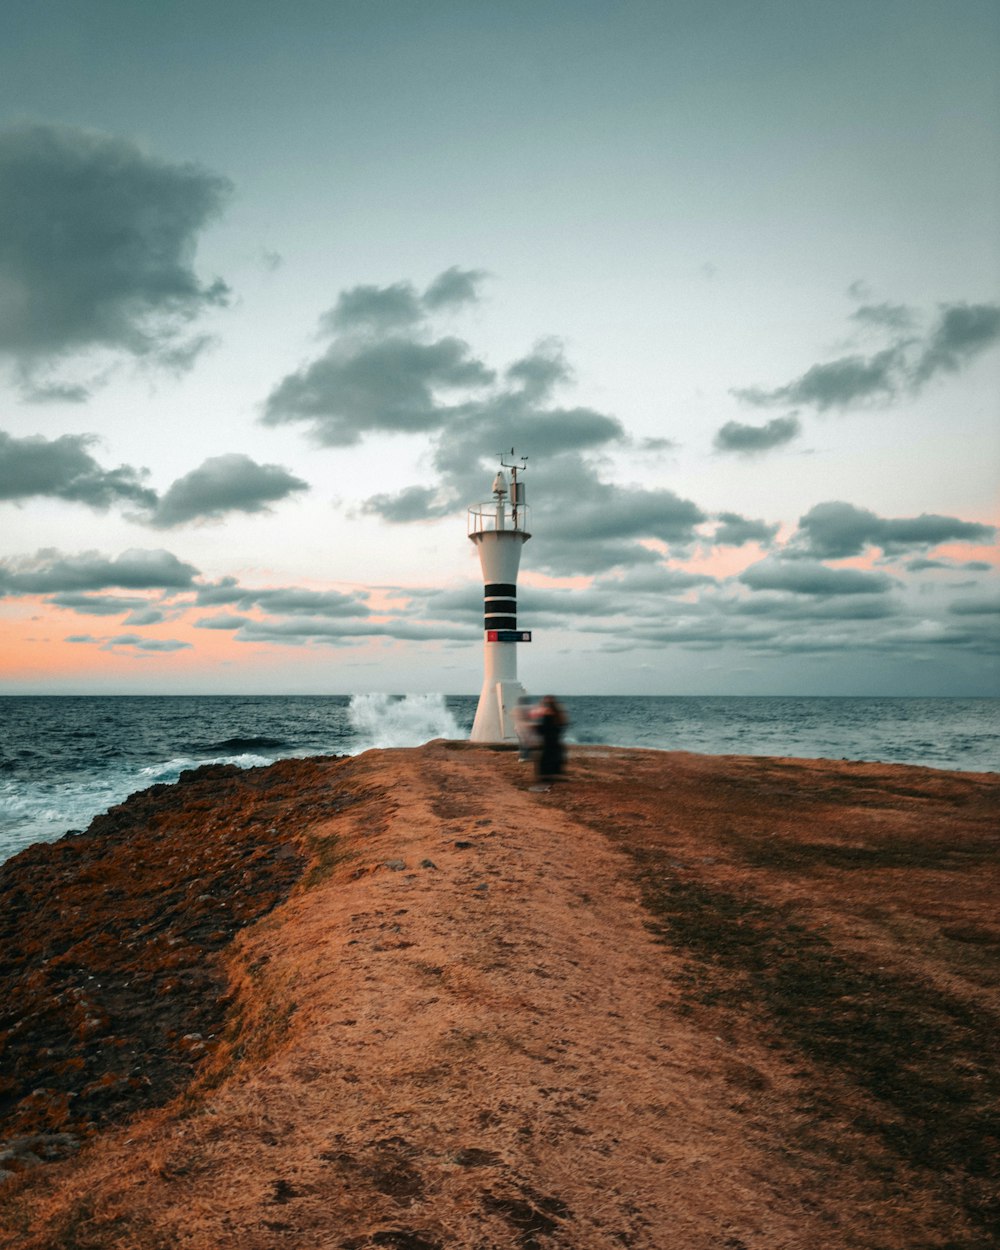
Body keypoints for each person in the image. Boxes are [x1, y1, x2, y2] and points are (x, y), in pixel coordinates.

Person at [534, 695, 568, 784]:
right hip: (555, 739)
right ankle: (553, 775)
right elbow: (560, 726)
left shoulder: (547, 714)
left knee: (546, 757)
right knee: (554, 757)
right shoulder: (558, 715)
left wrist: (535, 728)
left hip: (548, 740)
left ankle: (545, 776)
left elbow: (544, 728)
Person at [512, 696, 538, 763]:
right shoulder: (528, 708)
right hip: (526, 728)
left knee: (522, 743)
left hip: (518, 728)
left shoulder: (516, 709)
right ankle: (525, 756)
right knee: (527, 743)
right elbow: (532, 716)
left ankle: (523, 756)